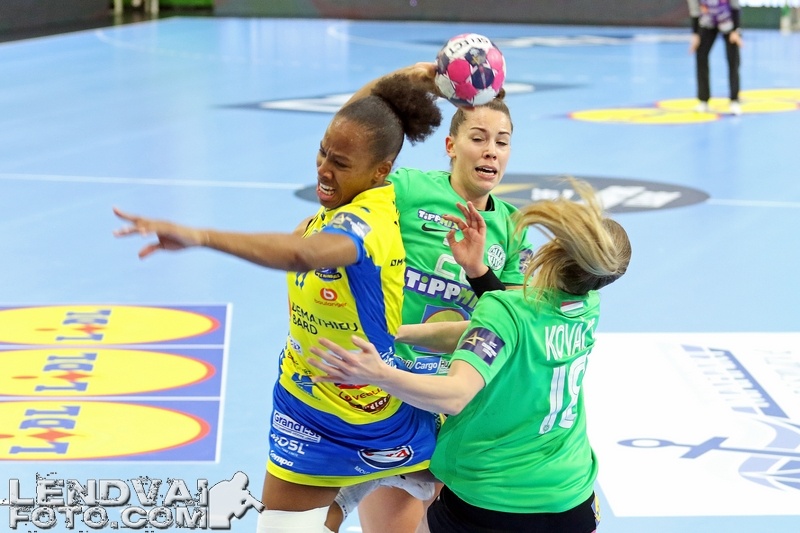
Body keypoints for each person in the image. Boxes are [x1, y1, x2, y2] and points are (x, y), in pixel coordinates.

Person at [113, 72, 444, 533]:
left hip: (381, 415)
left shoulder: (368, 224)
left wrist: (200, 236)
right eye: (322, 152)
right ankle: (355, 488)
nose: (324, 169)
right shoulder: (344, 190)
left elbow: (300, 255)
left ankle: (390, 478)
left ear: (380, 171)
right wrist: (403, 78)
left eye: (339, 162)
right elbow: (356, 119)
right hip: (306, 410)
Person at [310, 178, 632, 533]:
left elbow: (456, 394)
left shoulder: (508, 311)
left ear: (555, 250)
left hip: (493, 501)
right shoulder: (586, 306)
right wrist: (401, 331)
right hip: (572, 499)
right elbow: (489, 332)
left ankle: (361, 488)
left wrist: (377, 373)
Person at [330, 62, 532, 533]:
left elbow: (511, 326)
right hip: (390, 390)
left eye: (502, 141)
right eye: (478, 137)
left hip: (458, 403)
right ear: (450, 145)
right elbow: (348, 143)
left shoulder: (513, 228)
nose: (492, 150)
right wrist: (397, 80)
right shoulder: (407, 190)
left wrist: (479, 271)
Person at [688, 0, 743, 115]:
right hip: (708, 22)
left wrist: (736, 30)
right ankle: (703, 100)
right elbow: (695, 11)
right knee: (701, 55)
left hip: (728, 21)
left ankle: (734, 100)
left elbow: (735, 6)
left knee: (733, 59)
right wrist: (695, 34)